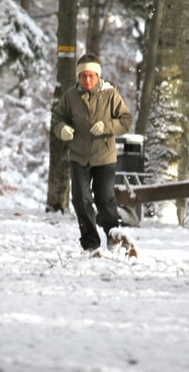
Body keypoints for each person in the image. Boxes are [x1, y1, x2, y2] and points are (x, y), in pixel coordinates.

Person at [51, 53, 134, 252]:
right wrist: (62, 129)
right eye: (83, 76)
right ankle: (90, 242)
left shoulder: (110, 94)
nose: (87, 80)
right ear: (78, 77)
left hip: (104, 156)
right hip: (79, 156)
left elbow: (126, 120)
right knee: (80, 199)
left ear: (98, 76)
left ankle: (113, 235)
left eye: (91, 76)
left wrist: (107, 126)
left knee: (104, 199)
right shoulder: (70, 96)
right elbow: (58, 118)